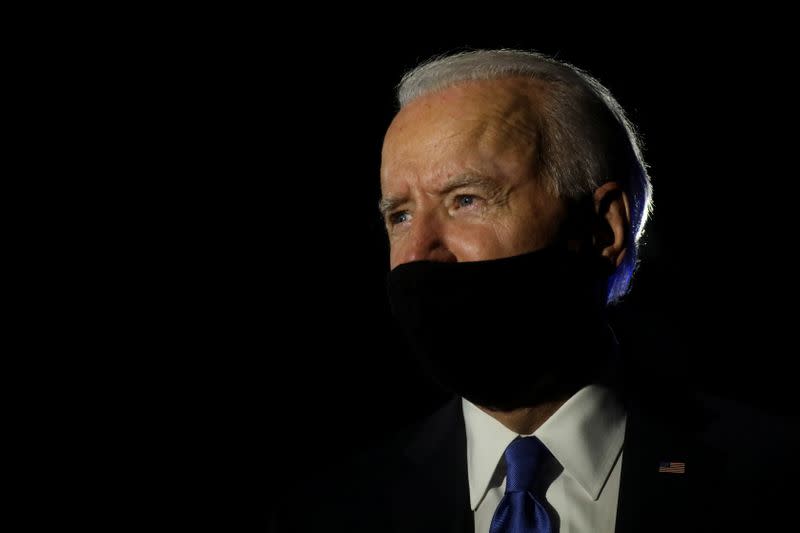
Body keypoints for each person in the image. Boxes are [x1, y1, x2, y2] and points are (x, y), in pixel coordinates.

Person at [271, 49, 795, 533]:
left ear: (603, 229)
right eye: (400, 215)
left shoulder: (772, 478)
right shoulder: (328, 512)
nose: (417, 253)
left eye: (466, 199)